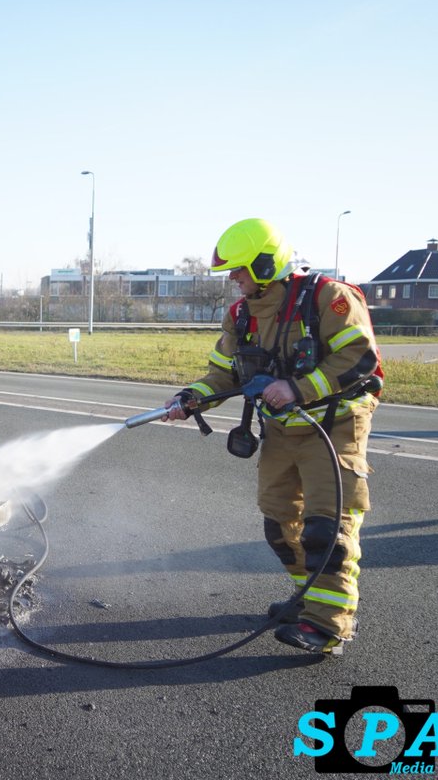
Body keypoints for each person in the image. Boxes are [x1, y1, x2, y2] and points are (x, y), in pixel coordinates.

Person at [164, 218, 380, 655]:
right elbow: (223, 373)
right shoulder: (241, 314)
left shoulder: (329, 299)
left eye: (239, 270)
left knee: (328, 526)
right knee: (280, 524)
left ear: (266, 264)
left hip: (333, 425)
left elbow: (359, 359)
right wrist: (191, 399)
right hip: (281, 427)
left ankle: (328, 625)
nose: (233, 279)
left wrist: (298, 388)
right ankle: (308, 600)